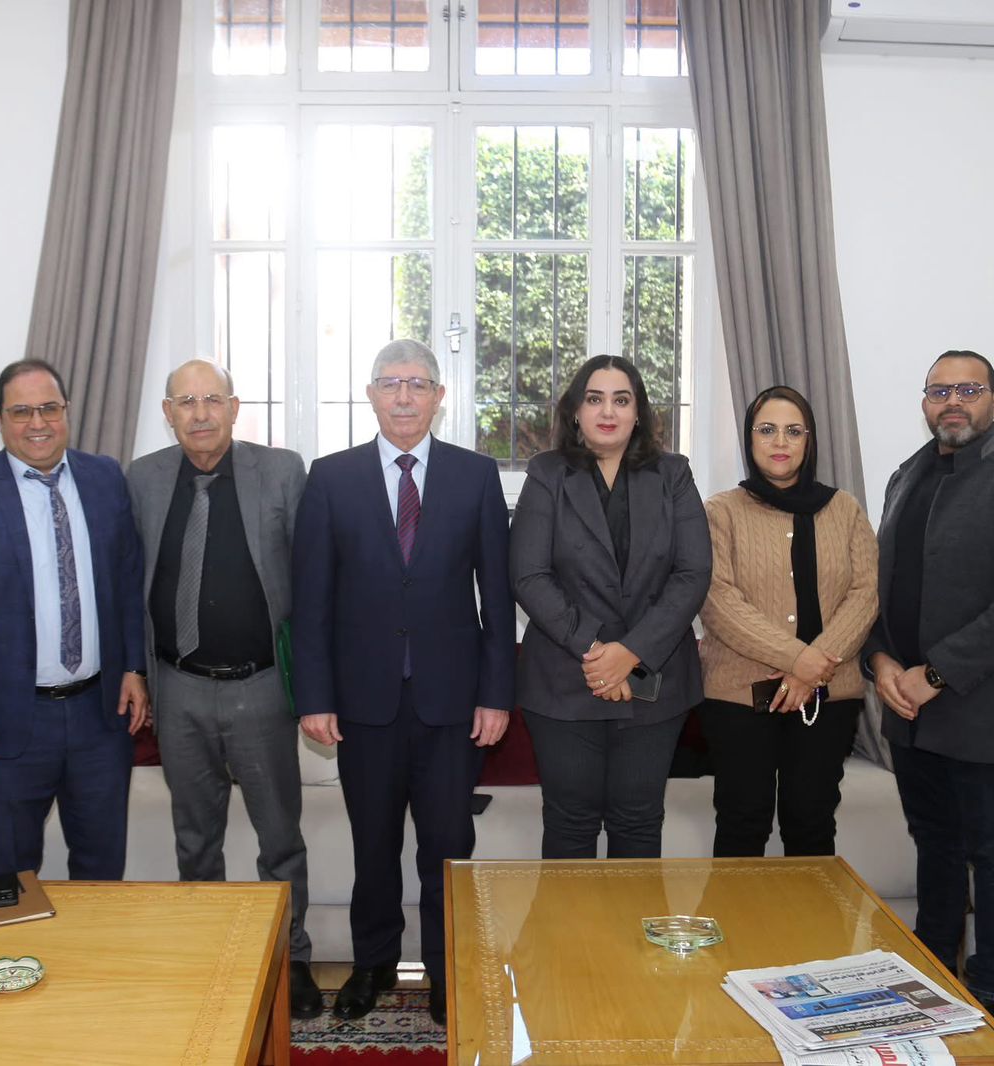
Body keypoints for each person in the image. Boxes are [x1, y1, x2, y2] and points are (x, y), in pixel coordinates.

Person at [291, 339, 514, 1027]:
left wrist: (496, 693)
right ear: (371, 395)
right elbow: (310, 602)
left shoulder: (476, 476)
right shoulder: (331, 478)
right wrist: (315, 698)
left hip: (452, 705)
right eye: (391, 384)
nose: (404, 397)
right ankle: (373, 965)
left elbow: (497, 598)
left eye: (418, 384)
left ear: (439, 396)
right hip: (364, 705)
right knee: (374, 846)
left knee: (447, 849)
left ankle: (447, 972)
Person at [864, 350, 994, 1031]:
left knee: (992, 853)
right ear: (925, 403)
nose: (953, 401)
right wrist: (880, 660)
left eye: (969, 389)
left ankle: (990, 995)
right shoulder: (905, 476)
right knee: (934, 844)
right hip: (910, 712)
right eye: (939, 390)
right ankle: (931, 972)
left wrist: (934, 674)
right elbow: (884, 588)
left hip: (987, 712)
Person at [126, 358, 321, 1019]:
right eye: (187, 402)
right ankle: (206, 952)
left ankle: (292, 959)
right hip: (178, 688)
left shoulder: (282, 472)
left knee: (279, 838)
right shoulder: (143, 479)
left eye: (213, 400)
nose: (201, 413)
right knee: (194, 838)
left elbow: (312, 584)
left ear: (235, 408)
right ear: (168, 413)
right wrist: (134, 670)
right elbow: (128, 582)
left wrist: (315, 684)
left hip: (260, 687)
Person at [0, 359, 149, 881]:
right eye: (21, 412)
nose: (37, 423)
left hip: (99, 718)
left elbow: (127, 583)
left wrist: (134, 667)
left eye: (49, 408)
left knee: (101, 878)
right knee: (10, 881)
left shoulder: (105, 478)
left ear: (67, 411)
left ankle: (90, 943)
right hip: (7, 724)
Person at [509, 355, 712, 859]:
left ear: (638, 412)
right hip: (564, 678)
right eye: (594, 399)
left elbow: (692, 574)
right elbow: (528, 575)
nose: (608, 411)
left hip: (653, 678)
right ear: (575, 412)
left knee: (638, 823)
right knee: (569, 824)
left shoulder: (673, 474)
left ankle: (632, 922)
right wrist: (599, 651)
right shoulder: (547, 473)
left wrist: (632, 653)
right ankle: (569, 923)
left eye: (621, 400)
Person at [696, 385, 879, 858]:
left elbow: (866, 594)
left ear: (809, 441)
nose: (780, 441)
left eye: (794, 431)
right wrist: (799, 659)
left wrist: (814, 667)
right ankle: (737, 914)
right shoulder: (719, 512)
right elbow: (717, 600)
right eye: (767, 430)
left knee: (811, 823)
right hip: (739, 696)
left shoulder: (845, 510)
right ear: (750, 439)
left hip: (828, 696)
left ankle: (812, 913)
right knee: (742, 822)